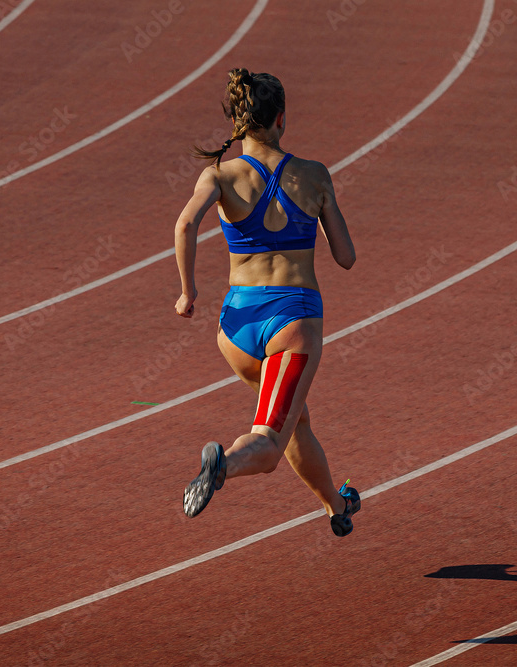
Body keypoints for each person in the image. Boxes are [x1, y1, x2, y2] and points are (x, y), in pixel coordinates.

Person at [174, 68, 360, 536]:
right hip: (291, 322)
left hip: (236, 328)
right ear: (282, 119)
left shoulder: (219, 175)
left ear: (237, 121)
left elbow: (185, 226)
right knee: (269, 442)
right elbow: (346, 257)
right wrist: (319, 207)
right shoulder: (314, 175)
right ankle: (224, 465)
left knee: (294, 420)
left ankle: (336, 507)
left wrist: (187, 291)